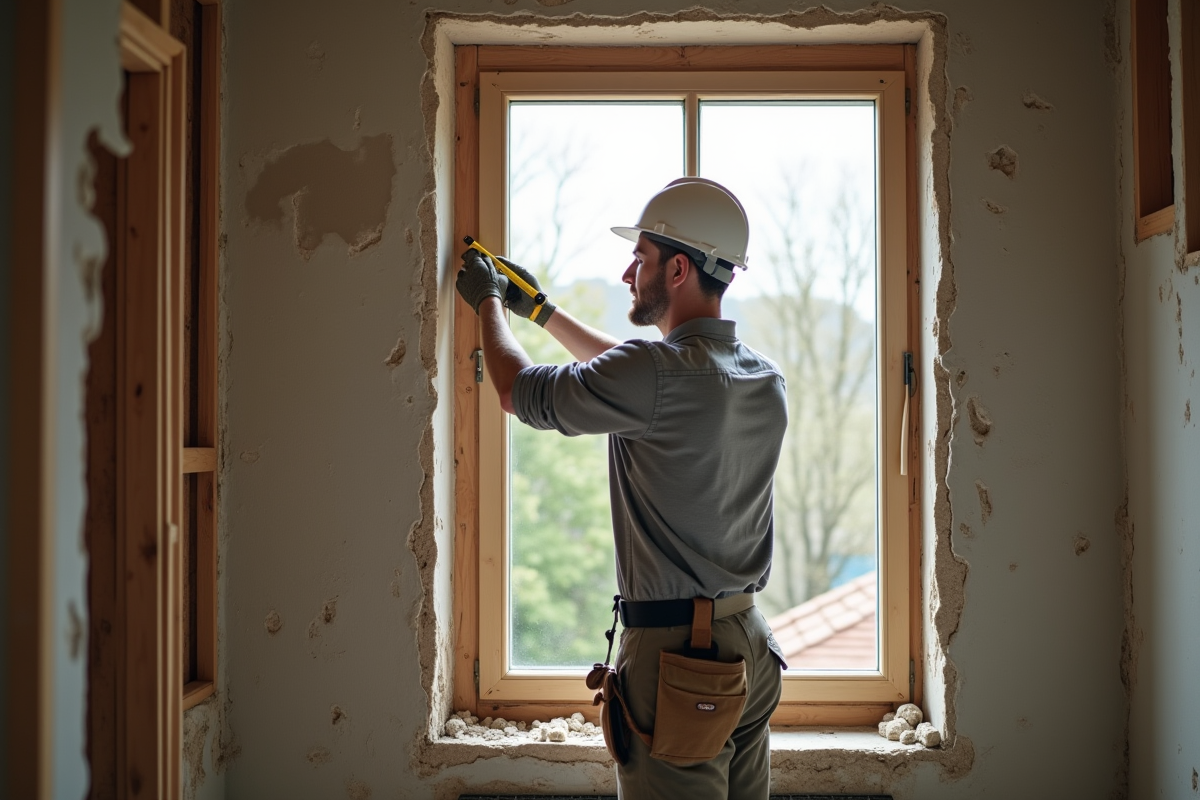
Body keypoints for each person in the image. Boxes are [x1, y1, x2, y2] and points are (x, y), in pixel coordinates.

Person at [455, 178, 788, 800]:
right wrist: (544, 311)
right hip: (751, 647)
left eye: (643, 258)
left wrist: (489, 303)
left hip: (678, 660)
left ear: (680, 268)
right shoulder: (760, 379)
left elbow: (516, 390)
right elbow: (642, 381)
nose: (629, 271)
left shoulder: (653, 374)